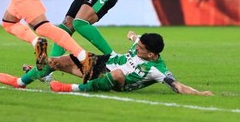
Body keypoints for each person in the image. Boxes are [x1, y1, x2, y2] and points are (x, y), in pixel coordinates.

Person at [44, 31, 212, 95]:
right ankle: (32, 77)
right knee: (56, 61)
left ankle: (72, 88)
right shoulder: (141, 43)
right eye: (137, 46)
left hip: (118, 81)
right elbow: (134, 36)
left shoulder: (156, 69)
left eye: (140, 48)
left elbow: (177, 86)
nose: (137, 48)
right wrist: (132, 36)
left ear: (152, 55)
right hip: (103, 63)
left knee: (117, 74)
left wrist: (199, 93)